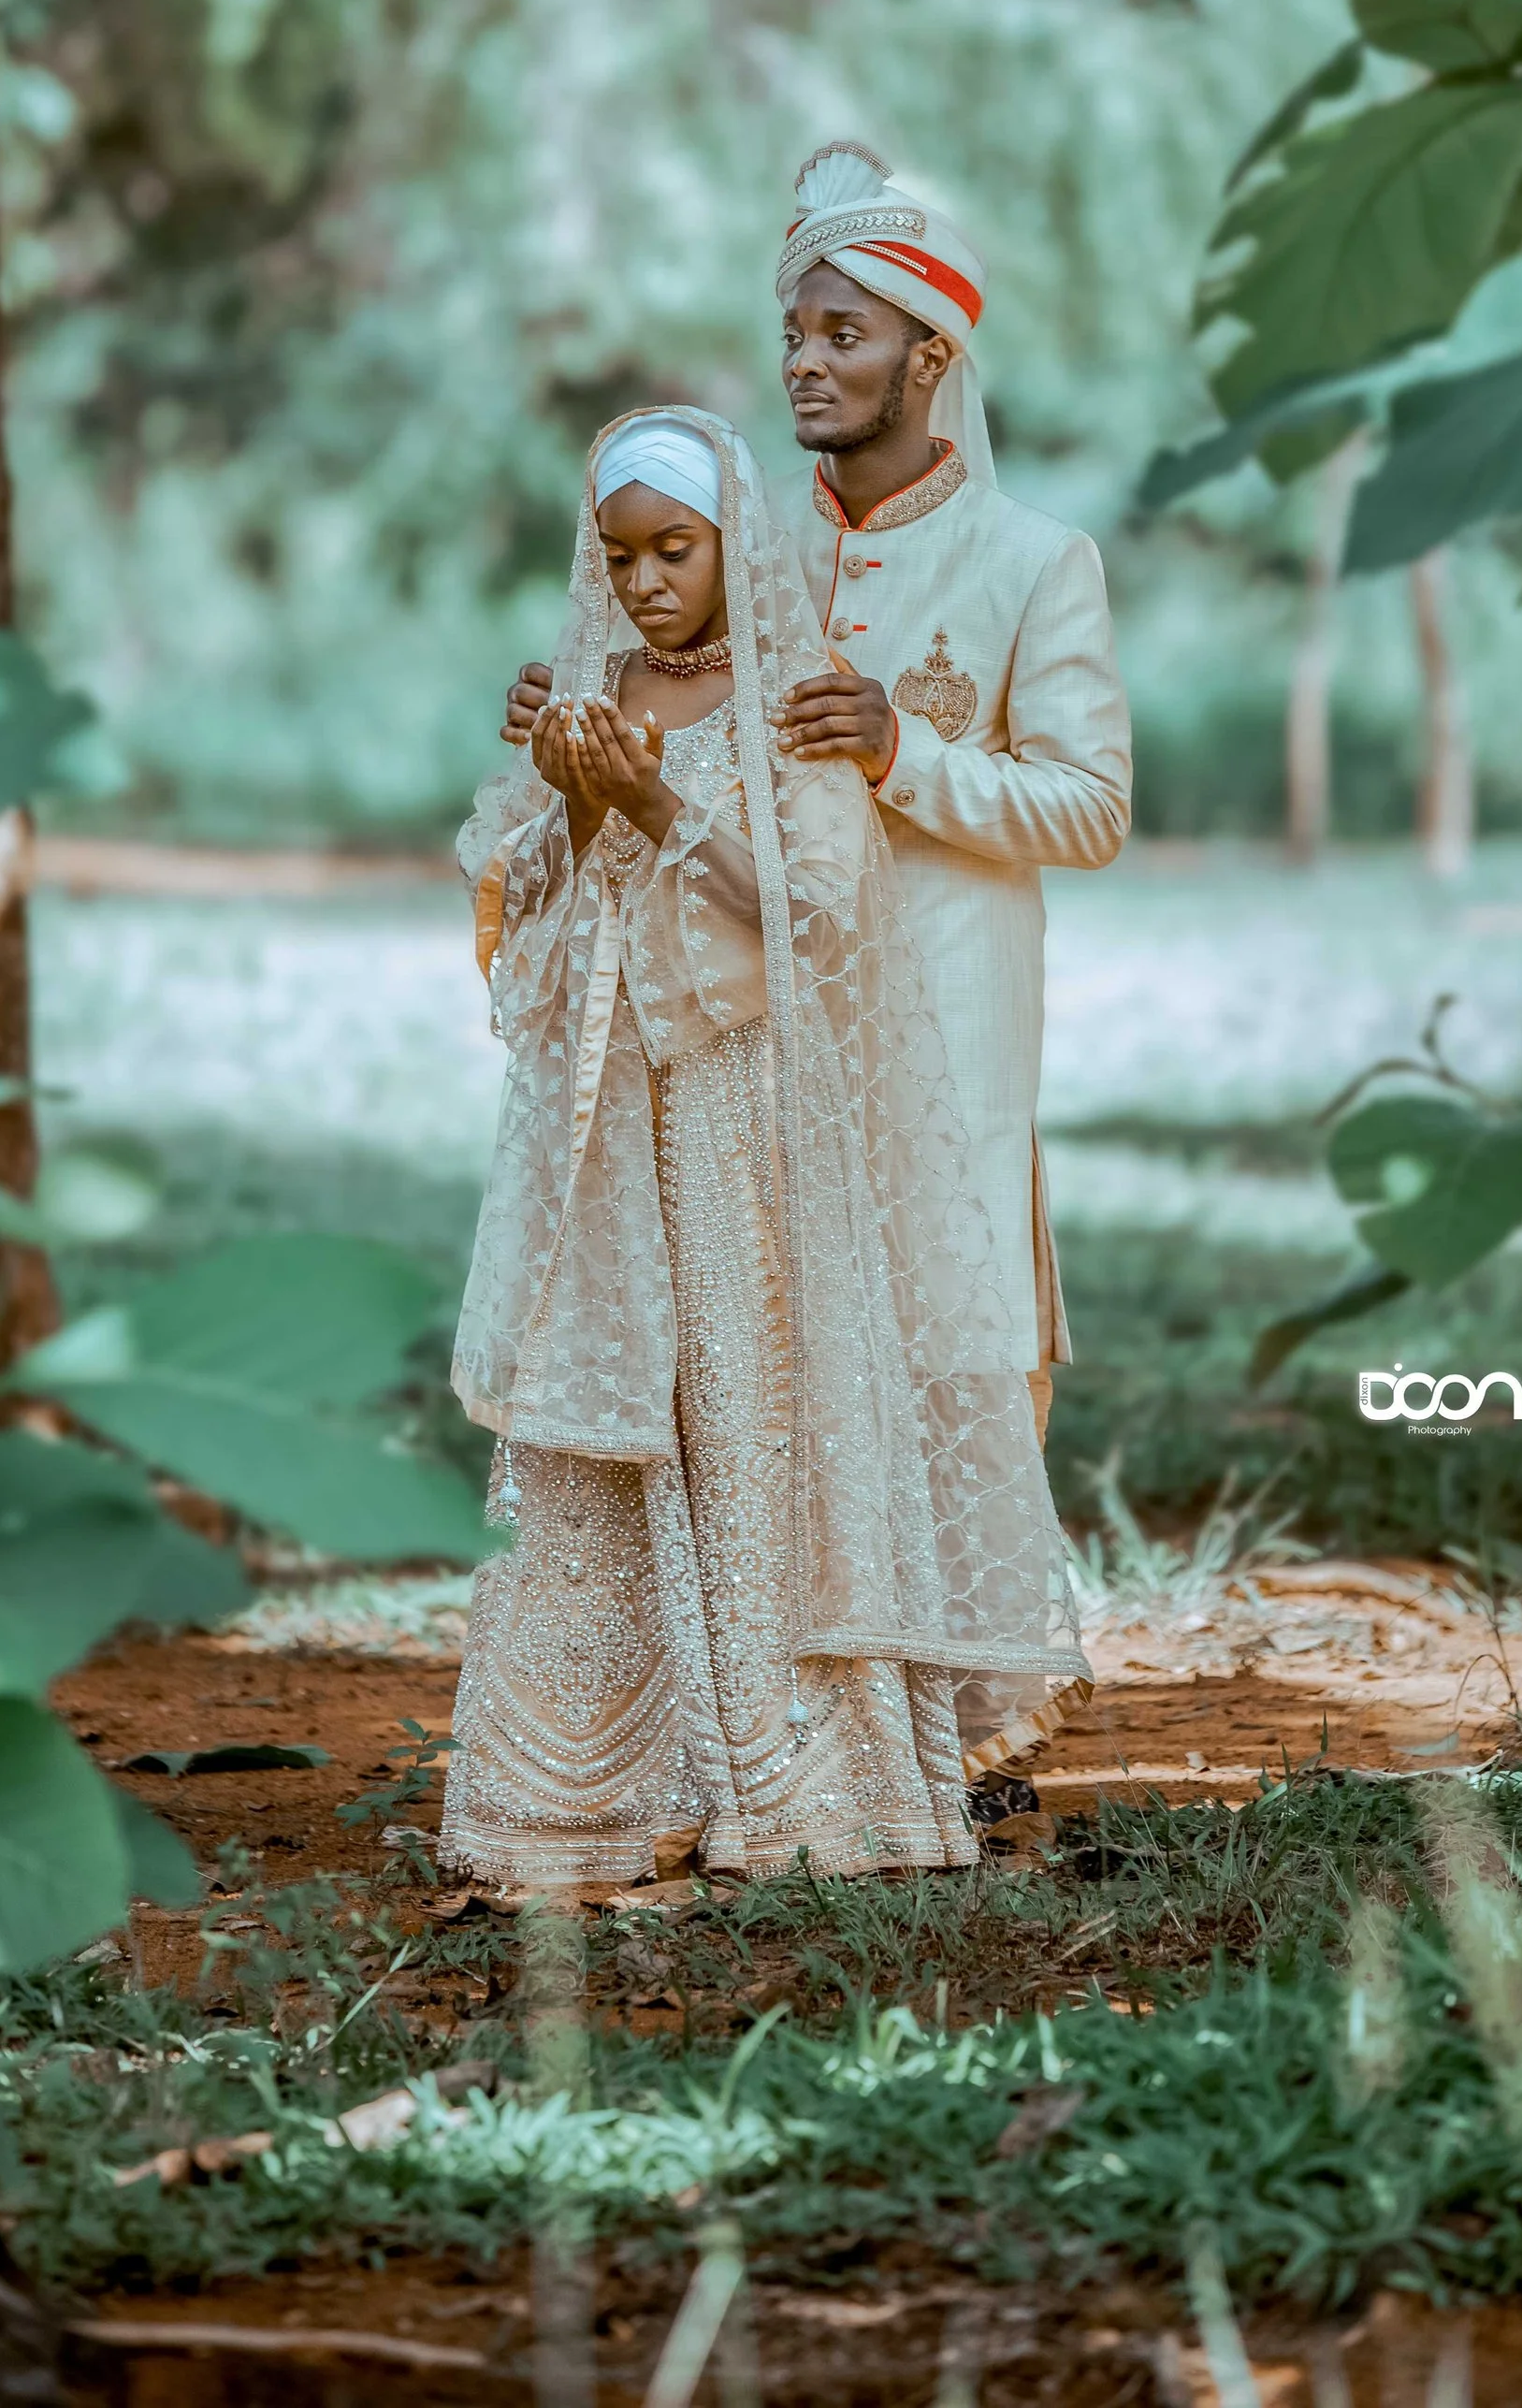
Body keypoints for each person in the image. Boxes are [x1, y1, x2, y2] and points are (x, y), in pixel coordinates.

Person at [443, 409, 1085, 1893]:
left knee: (747, 1396)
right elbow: (521, 915)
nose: (652, 580)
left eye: (678, 549)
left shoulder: (786, 703)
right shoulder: (590, 694)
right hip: (613, 1126)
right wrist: (569, 793)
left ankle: (792, 1774)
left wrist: (659, 803)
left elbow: (818, 922)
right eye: (624, 556)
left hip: (746, 1120)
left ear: (739, 545)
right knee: (608, 1417)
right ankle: (587, 1782)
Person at [507, 146, 1134, 1429]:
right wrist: (583, 725)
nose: (803, 360)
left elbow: (1092, 810)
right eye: (793, 333)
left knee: (947, 1377)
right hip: (751, 1022)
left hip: (947, 1018)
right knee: (762, 1386)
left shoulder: (1035, 562)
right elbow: (665, 730)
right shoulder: (745, 545)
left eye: (843, 332)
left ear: (930, 356)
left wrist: (903, 751)